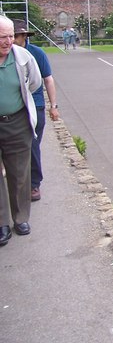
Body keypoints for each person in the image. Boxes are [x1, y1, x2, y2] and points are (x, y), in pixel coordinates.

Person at [0, 14, 42, 246]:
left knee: (19, 174)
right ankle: (1, 223)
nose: (8, 41)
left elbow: (34, 82)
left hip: (17, 122)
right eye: (2, 37)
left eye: (9, 36)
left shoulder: (23, 56)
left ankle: (20, 218)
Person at [13, 20, 60, 201]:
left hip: (36, 106)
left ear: (23, 36)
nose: (10, 40)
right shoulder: (6, 55)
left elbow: (48, 79)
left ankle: (33, 184)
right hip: (15, 107)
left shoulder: (36, 53)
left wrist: (53, 106)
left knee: (32, 145)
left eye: (14, 36)